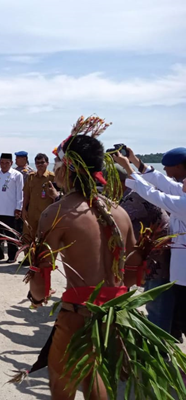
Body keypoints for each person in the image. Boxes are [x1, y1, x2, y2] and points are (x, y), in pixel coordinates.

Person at [24, 116, 149, 399]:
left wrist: (35, 300)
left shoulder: (57, 213)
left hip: (78, 316)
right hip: (116, 320)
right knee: (98, 381)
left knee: (62, 385)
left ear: (68, 168)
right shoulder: (119, 212)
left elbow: (41, 285)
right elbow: (132, 274)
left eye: (58, 163)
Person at [115, 147, 186, 337]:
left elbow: (155, 195)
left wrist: (129, 169)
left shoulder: (183, 204)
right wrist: (134, 160)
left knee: (177, 317)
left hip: (182, 274)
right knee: (177, 317)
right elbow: (164, 183)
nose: (180, 184)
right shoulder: (182, 195)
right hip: (178, 273)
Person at [110, 164, 173, 333]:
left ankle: (161, 349)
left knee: (155, 303)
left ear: (117, 181)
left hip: (157, 259)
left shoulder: (134, 198)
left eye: (108, 182)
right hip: (151, 257)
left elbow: (115, 224)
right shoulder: (129, 195)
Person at [0, 153, 23, 263]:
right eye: (2, 162)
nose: (4, 165)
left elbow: (20, 193)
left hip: (10, 210)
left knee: (10, 235)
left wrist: (19, 208)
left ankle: (12, 256)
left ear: (11, 163)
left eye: (6, 163)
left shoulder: (17, 175)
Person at [22, 153, 56, 243]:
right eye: (37, 163)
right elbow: (26, 195)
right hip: (31, 213)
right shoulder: (31, 177)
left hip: (46, 213)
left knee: (45, 239)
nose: (39, 165)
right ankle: (29, 257)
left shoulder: (52, 178)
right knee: (27, 237)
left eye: (42, 162)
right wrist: (24, 209)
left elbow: (55, 197)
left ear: (47, 163)